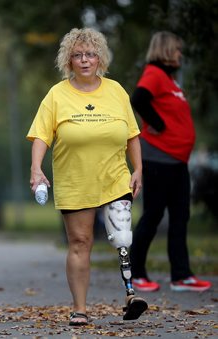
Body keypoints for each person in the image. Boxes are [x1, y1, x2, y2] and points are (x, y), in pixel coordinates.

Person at [27, 27, 148, 326]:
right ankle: (79, 308)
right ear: (68, 61)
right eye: (78, 55)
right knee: (80, 242)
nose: (84, 60)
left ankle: (131, 295)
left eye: (91, 55)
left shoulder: (116, 90)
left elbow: (132, 135)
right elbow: (41, 136)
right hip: (75, 179)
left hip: (114, 176)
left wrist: (139, 169)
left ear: (100, 59)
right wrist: (36, 168)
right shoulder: (57, 95)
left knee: (122, 235)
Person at [129, 31, 211, 293]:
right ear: (165, 50)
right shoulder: (154, 72)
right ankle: (136, 273)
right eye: (176, 49)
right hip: (158, 158)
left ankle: (181, 275)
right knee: (153, 215)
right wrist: (158, 124)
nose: (180, 54)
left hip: (177, 161)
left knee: (180, 217)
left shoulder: (170, 80)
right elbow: (138, 98)